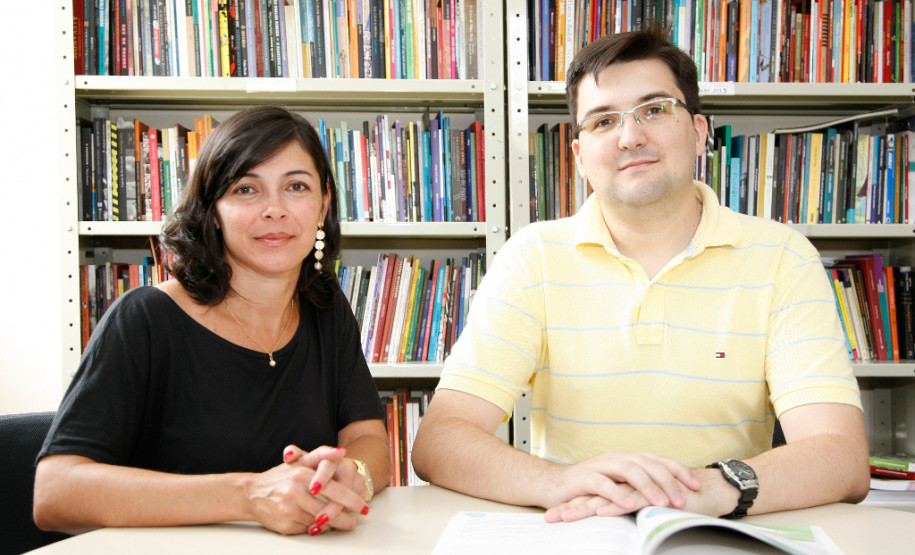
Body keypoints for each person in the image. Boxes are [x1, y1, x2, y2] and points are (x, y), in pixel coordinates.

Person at [411, 25, 869, 522]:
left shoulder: (781, 257)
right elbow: (440, 440)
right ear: (580, 156)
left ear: (698, 132)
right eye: (604, 121)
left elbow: (841, 457)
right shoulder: (533, 258)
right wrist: (558, 482)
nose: (631, 136)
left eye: (654, 110)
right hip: (577, 533)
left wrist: (711, 490)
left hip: (720, 531)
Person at [34, 106, 389, 537]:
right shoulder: (145, 319)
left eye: (296, 186)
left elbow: (369, 437)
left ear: (323, 203)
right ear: (212, 211)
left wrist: (351, 474)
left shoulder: (325, 308)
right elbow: (54, 493)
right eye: (246, 189)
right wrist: (248, 495)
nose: (275, 209)